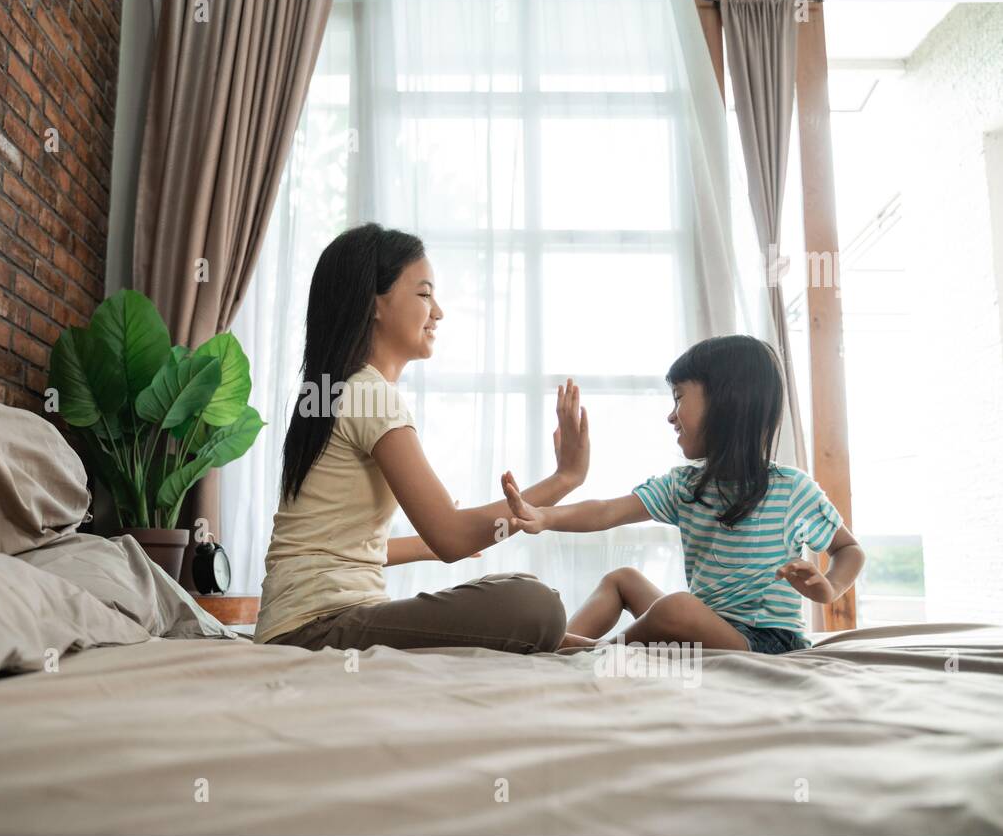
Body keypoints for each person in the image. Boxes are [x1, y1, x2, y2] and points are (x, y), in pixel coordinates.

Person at [255, 223, 587, 653]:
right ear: (374, 304)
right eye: (425, 294)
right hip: (317, 629)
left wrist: (434, 545)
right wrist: (566, 478)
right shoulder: (369, 395)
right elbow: (451, 538)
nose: (438, 312)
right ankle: (587, 644)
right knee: (535, 603)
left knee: (528, 602)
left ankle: (598, 648)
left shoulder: (338, 390)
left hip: (301, 626)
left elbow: (354, 547)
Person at [501, 335, 865, 654]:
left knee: (678, 608)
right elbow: (607, 511)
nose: (671, 416)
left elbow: (848, 550)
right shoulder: (685, 485)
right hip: (704, 624)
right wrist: (546, 516)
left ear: (727, 403)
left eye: (679, 399)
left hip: (765, 642)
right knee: (622, 579)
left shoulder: (791, 489)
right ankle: (560, 647)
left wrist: (829, 586)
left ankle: (593, 652)